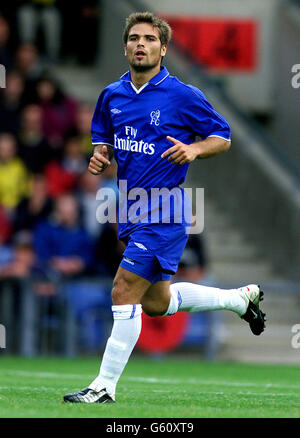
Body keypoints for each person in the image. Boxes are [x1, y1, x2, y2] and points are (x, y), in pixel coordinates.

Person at [64, 12, 266, 404]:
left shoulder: (182, 95)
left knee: (123, 289)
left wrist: (193, 148)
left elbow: (221, 136)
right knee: (156, 303)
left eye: (150, 39)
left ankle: (103, 387)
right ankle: (238, 300)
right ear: (125, 46)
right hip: (130, 210)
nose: (141, 44)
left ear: (163, 48)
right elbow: (104, 141)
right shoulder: (112, 95)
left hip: (165, 210)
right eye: (135, 38)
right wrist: (100, 157)